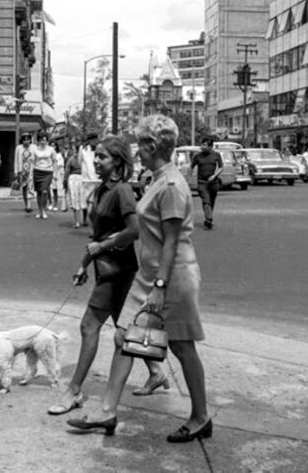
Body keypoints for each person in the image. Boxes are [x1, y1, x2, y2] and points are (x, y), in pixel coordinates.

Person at [67, 115, 211, 443]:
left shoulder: (171, 185)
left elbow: (172, 242)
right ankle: (107, 410)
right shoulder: (158, 180)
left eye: (139, 144)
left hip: (171, 278)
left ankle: (201, 417)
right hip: (150, 276)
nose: (136, 150)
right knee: (123, 337)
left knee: (182, 346)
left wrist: (160, 287)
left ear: (152, 145)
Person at [48, 136, 167, 417]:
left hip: (117, 270)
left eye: (102, 156)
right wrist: (84, 263)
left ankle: (74, 390)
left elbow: (134, 230)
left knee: (89, 326)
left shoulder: (122, 191)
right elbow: (97, 235)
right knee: (124, 326)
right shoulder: (102, 190)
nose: (96, 161)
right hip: (107, 268)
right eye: (96, 156)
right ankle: (156, 371)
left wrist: (100, 248)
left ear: (118, 161)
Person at [189, 137, 223, 230]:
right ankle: (209, 219)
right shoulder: (197, 156)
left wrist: (214, 176)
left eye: (205, 145)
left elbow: (221, 167)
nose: (202, 146)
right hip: (202, 182)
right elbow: (191, 167)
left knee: (211, 201)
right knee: (206, 200)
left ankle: (208, 217)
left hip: (214, 183)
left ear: (210, 146)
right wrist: (188, 179)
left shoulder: (216, 155)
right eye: (202, 144)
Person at [31, 131, 56, 219]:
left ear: (47, 140)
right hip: (37, 171)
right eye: (41, 140)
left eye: (44, 140)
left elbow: (54, 161)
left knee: (44, 191)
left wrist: (55, 173)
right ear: (38, 140)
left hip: (48, 172)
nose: (43, 142)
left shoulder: (51, 149)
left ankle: (44, 210)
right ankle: (40, 211)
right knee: (39, 192)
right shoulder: (35, 150)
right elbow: (32, 162)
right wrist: (30, 174)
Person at [79, 132, 100, 224]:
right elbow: (80, 161)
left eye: (96, 139)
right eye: (92, 140)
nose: (94, 141)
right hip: (86, 178)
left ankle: (93, 220)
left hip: (98, 178)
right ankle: (85, 218)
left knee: (94, 201)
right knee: (85, 200)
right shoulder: (83, 149)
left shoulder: (99, 148)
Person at [64, 143, 84, 229]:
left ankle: (77, 222)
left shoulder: (71, 159)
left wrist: (65, 180)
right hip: (82, 179)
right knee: (82, 200)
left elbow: (67, 171)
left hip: (74, 179)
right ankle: (83, 220)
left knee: (75, 200)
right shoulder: (84, 159)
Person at [14, 134, 35, 213]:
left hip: (31, 170)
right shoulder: (18, 148)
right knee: (24, 188)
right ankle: (26, 204)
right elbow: (16, 160)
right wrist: (16, 171)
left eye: (28, 139)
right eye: (24, 140)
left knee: (30, 187)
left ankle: (29, 205)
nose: (26, 141)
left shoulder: (34, 147)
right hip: (21, 171)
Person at [50, 142, 65, 212]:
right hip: (49, 172)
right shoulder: (48, 154)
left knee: (54, 189)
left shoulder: (59, 155)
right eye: (51, 145)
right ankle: (50, 203)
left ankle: (55, 204)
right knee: (47, 189)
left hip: (56, 173)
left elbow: (61, 164)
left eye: (54, 145)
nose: (53, 147)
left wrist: (55, 163)